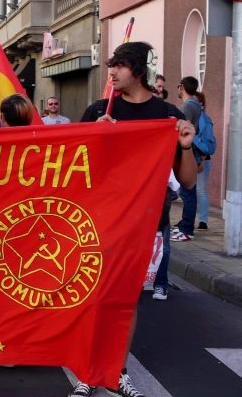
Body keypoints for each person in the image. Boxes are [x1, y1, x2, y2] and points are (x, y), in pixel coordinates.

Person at [71, 42, 196, 397]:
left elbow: (187, 181)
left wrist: (185, 145)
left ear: (138, 71)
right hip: (98, 225)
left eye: (120, 66)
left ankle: (117, 370)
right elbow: (73, 170)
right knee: (93, 299)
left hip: (146, 225)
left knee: (126, 301)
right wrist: (94, 138)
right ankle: (89, 371)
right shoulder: (99, 109)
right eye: (112, 65)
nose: (112, 72)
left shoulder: (166, 115)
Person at [172, 76, 201, 242]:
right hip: (194, 151)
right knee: (188, 193)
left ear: (182, 87)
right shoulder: (196, 104)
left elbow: (185, 129)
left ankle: (187, 229)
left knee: (188, 193)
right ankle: (185, 224)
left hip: (188, 151)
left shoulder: (189, 105)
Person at [194, 91, 212, 231]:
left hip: (201, 158)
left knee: (201, 190)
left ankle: (203, 221)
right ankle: (188, 220)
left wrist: (202, 160)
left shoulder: (204, 119)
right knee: (189, 192)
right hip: (191, 158)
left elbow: (208, 141)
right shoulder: (191, 117)